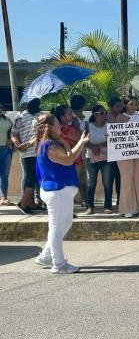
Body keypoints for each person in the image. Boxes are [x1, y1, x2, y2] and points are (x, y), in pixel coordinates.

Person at [32, 112, 89, 274]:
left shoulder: (53, 142)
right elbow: (69, 159)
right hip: (57, 191)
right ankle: (59, 264)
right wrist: (82, 142)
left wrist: (65, 139)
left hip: (60, 191)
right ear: (49, 127)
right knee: (57, 227)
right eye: (57, 123)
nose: (60, 126)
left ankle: (45, 255)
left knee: (64, 224)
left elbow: (70, 154)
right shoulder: (49, 146)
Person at [115, 97, 139, 218]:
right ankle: (127, 208)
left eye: (135, 104)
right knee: (127, 180)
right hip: (124, 153)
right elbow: (116, 133)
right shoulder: (120, 117)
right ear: (125, 105)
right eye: (131, 104)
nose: (134, 106)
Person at [11, 98, 42, 215]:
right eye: (30, 103)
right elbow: (14, 134)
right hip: (27, 152)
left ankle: (32, 204)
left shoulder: (42, 116)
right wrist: (19, 145)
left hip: (39, 151)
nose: (32, 105)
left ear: (38, 104)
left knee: (34, 178)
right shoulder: (20, 116)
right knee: (29, 177)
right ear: (27, 104)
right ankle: (23, 203)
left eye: (35, 103)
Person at [83, 105, 114, 215]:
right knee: (91, 183)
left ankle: (108, 206)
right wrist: (93, 147)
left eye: (104, 113)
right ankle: (89, 206)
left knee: (107, 183)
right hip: (91, 158)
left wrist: (99, 146)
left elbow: (113, 140)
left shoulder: (109, 126)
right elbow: (84, 140)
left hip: (106, 158)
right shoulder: (88, 125)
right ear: (94, 114)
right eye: (101, 113)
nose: (103, 115)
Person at [69, 94, 88, 204]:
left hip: (84, 151)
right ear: (83, 105)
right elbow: (75, 135)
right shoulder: (73, 119)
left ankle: (83, 199)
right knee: (76, 176)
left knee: (83, 178)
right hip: (76, 152)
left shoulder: (81, 118)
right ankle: (75, 199)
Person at [0, 104, 13, 206]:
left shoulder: (7, 120)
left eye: (1, 109)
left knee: (4, 175)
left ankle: (3, 197)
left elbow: (11, 131)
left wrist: (10, 138)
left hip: (5, 150)